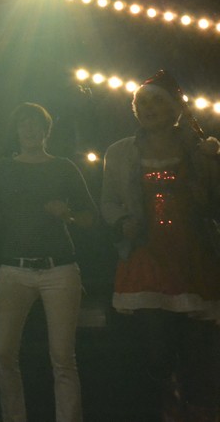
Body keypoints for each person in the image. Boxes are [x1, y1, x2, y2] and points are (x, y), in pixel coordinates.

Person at [100, 71, 220, 420]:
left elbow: (213, 200)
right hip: (146, 257)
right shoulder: (120, 152)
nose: (148, 108)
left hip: (192, 257)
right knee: (157, 349)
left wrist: (213, 162)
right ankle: (167, 403)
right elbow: (108, 201)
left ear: (174, 109)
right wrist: (122, 222)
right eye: (142, 102)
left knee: (197, 349)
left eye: (156, 101)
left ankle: (194, 407)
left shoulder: (197, 150)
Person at [0, 103, 96, 422]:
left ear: (46, 130)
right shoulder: (3, 167)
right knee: (3, 353)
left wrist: (68, 214)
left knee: (62, 357)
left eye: (34, 124)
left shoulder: (64, 167)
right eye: (23, 124)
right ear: (16, 131)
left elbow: (90, 218)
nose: (28, 129)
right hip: (14, 268)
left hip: (59, 269)